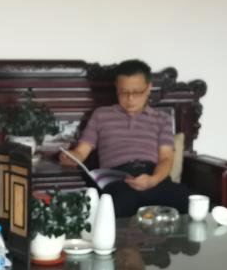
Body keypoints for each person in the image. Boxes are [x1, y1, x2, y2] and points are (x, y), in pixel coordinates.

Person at [59, 59, 190, 217]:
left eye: (137, 92)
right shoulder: (101, 115)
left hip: (152, 176)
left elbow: (166, 158)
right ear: (116, 88)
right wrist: (71, 157)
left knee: (189, 201)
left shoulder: (161, 119)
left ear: (148, 88)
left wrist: (153, 180)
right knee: (115, 205)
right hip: (117, 179)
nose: (130, 99)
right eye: (124, 92)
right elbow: (81, 152)